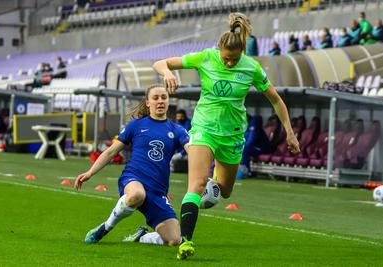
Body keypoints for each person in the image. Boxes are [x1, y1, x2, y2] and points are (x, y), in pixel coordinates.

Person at [152, 12, 300, 260]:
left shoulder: (251, 68)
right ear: (218, 50)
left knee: (225, 190)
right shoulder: (206, 57)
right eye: (225, 59)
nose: (229, 63)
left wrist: (290, 133)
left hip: (232, 136)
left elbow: (276, 100)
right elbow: (161, 63)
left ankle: (215, 183)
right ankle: (186, 242)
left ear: (241, 52)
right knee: (196, 186)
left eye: (233, 59)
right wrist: (167, 73)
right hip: (204, 129)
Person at [74, 85, 189, 247]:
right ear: (148, 103)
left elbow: (192, 151)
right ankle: (105, 228)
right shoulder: (136, 125)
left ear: (168, 101)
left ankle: (141, 237)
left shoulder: (177, 130)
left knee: (174, 240)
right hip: (133, 179)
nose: (160, 101)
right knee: (136, 195)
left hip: (158, 191)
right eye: (155, 98)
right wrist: (90, 172)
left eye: (164, 97)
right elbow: (111, 152)